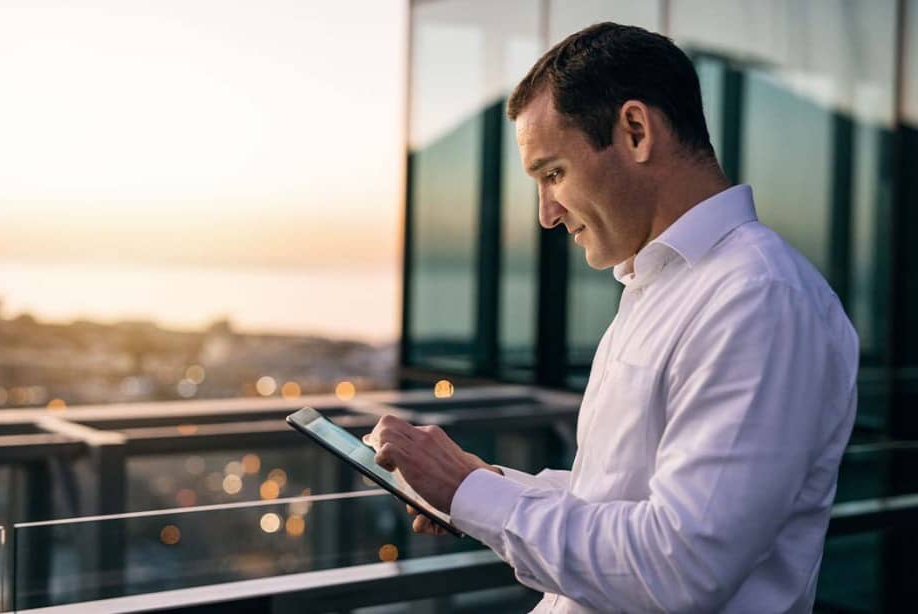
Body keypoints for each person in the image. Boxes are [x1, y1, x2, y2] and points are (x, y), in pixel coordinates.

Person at [365, 22, 858, 613]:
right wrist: (486, 486)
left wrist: (469, 492)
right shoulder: (661, 287)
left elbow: (680, 565)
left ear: (635, 130)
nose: (547, 214)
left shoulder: (758, 298)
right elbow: (622, 500)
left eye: (553, 174)